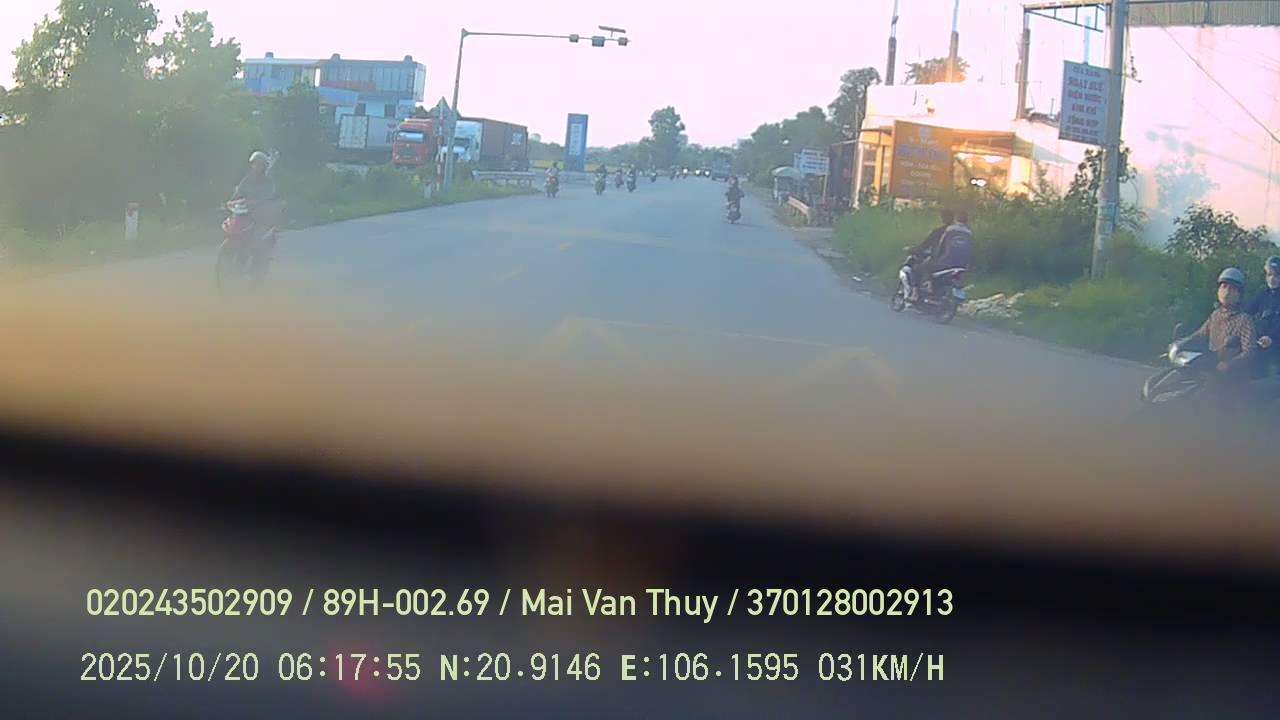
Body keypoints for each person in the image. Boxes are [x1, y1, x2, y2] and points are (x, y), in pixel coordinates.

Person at [1176, 267, 1257, 400]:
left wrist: (1229, 364)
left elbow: (1250, 351)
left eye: (1232, 289)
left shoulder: (1244, 320)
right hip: (1211, 369)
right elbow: (1200, 335)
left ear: (1239, 294)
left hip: (1232, 379)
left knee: (1203, 399)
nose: (1227, 292)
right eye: (1224, 287)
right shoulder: (1216, 315)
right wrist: (1180, 344)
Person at [914, 210, 972, 301]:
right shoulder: (969, 232)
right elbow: (970, 249)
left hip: (947, 262)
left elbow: (940, 245)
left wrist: (934, 255)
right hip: (962, 265)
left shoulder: (949, 230)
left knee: (923, 266)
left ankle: (927, 290)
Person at [1247, 255, 1280, 378]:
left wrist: (1273, 339)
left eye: (1277, 275)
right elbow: (1246, 313)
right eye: (1269, 274)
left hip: (1276, 350)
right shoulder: (1262, 295)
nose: (1272, 278)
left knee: (1272, 381)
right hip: (1259, 345)